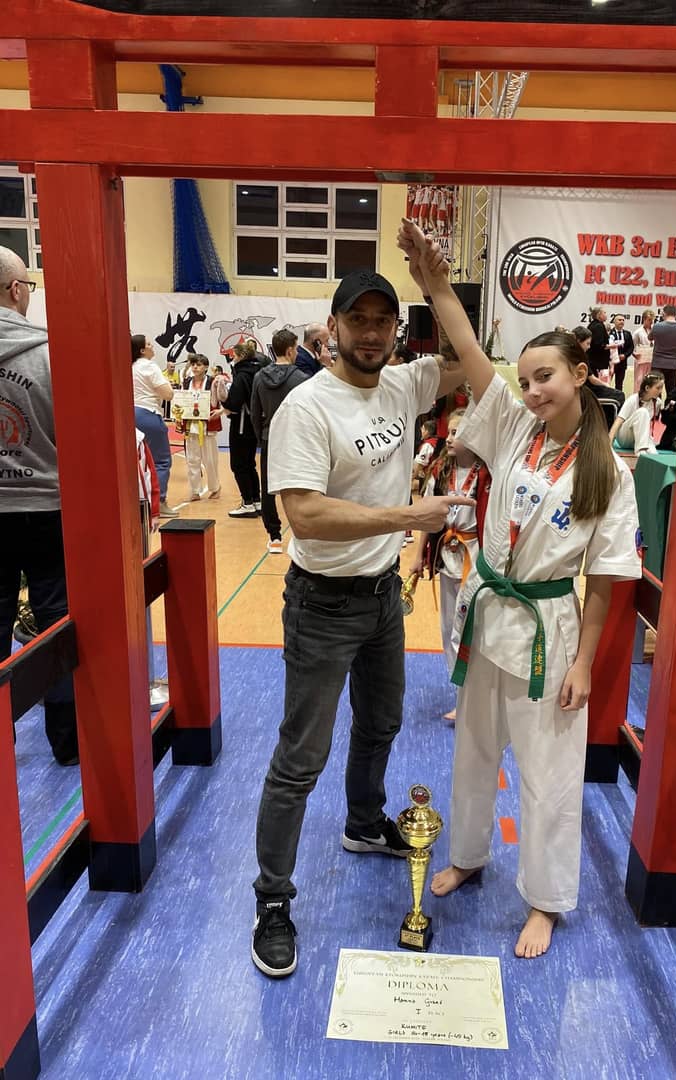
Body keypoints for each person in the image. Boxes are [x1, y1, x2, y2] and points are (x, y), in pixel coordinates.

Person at [398, 219, 641, 959]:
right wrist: (436, 286)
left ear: (580, 375)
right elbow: (472, 354)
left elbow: (605, 585)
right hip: (489, 612)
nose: (531, 390)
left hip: (549, 630)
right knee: (474, 749)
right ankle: (469, 855)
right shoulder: (511, 428)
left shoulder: (608, 472)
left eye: (546, 377)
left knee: (548, 773)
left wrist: (585, 664)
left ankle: (545, 899)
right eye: (526, 379)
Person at [251, 267, 471, 979]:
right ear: (334, 326)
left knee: (381, 723)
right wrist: (408, 516)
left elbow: (474, 358)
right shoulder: (308, 406)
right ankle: (273, 901)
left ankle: (363, 822)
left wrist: (438, 285)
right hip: (321, 604)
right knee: (299, 759)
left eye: (383, 320)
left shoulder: (405, 383)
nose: (371, 333)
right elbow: (305, 514)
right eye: (359, 320)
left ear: (396, 330)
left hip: (380, 598)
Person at [0, 245, 79, 765]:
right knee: (56, 623)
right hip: (48, 506)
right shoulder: (52, 354)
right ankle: (68, 742)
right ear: (16, 290)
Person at [407, 408, 490, 723]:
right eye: (450, 432)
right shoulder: (440, 470)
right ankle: (462, 695)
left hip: (476, 558)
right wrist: (418, 556)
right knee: (448, 628)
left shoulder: (487, 473)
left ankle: (476, 699)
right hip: (447, 556)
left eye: (458, 433)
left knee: (470, 630)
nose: (450, 438)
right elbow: (429, 518)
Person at [250, 328, 307, 553]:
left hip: (269, 438)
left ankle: (274, 537)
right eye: (296, 349)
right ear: (291, 350)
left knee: (267, 487)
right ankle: (301, 534)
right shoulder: (301, 379)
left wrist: (261, 436)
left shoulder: (259, 377)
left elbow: (255, 412)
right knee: (301, 486)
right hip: (295, 439)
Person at [131, 334, 177, 518]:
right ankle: (159, 503)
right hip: (148, 414)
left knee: (137, 461)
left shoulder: (130, 366)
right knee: (161, 461)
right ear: (142, 350)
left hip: (130, 414)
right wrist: (167, 385)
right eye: (149, 343)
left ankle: (138, 500)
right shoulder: (149, 366)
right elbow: (168, 394)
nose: (152, 345)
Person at [222, 341, 263, 518]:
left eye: (234, 355)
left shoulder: (242, 375)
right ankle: (256, 501)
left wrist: (224, 399)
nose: (232, 359)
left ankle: (247, 503)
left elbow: (234, 403)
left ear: (240, 356)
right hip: (254, 424)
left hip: (241, 424)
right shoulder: (259, 370)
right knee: (250, 464)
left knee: (238, 465)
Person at [178, 354, 223, 501]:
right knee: (192, 459)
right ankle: (195, 491)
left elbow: (217, 401)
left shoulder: (212, 381)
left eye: (198, 365)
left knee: (210, 460)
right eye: (193, 365)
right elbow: (181, 401)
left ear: (205, 367)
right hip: (190, 425)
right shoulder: (186, 382)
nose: (195, 367)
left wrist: (220, 383)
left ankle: (215, 488)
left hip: (207, 426)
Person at [608, 372, 665, 455]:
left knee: (654, 453)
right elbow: (618, 421)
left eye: (661, 388)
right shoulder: (633, 399)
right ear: (647, 388)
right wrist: (609, 441)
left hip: (638, 437)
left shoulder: (658, 403)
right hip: (625, 438)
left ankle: (644, 448)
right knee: (643, 412)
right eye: (658, 388)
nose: (660, 391)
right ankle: (640, 451)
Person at [649, 305, 676, 395]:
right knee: (671, 390)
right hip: (674, 363)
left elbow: (650, 337)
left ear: (664, 313)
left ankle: (656, 404)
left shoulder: (657, 326)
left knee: (655, 390)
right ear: (675, 314)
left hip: (658, 363)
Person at [609, 314, 634, 394]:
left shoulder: (627, 333)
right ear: (614, 321)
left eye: (623, 320)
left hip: (622, 363)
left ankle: (618, 398)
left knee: (619, 384)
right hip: (611, 363)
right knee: (607, 382)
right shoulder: (609, 333)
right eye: (619, 320)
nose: (622, 322)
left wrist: (625, 355)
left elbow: (631, 347)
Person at [632, 308, 655, 393]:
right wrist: (634, 354)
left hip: (651, 359)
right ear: (644, 319)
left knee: (650, 381)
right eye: (649, 320)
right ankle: (637, 397)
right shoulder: (637, 332)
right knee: (639, 380)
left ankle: (648, 397)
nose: (651, 322)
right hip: (641, 359)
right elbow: (632, 347)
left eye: (652, 320)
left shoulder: (654, 331)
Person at [586, 306, 611, 382]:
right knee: (597, 382)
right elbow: (599, 345)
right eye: (604, 313)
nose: (606, 314)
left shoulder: (594, 324)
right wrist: (611, 346)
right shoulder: (598, 326)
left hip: (593, 360)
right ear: (599, 315)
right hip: (596, 362)